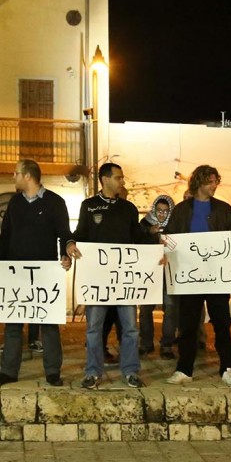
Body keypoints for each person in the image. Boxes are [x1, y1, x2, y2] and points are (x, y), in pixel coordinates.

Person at [0, 160, 72, 386]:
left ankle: (53, 372)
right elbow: (5, 237)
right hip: (16, 274)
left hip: (44, 274)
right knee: (13, 324)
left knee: (49, 324)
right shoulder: (14, 203)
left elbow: (64, 233)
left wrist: (67, 254)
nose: (12, 177)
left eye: (16, 173)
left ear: (27, 176)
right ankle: (8, 371)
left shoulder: (55, 202)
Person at [68, 162, 147, 389]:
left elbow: (138, 239)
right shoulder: (89, 206)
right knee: (94, 328)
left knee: (131, 328)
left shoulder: (129, 209)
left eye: (122, 178)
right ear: (105, 179)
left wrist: (155, 251)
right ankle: (93, 372)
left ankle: (130, 371)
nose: (123, 181)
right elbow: (80, 233)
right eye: (119, 178)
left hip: (125, 280)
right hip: (98, 281)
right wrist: (70, 244)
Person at [164, 164, 231, 387]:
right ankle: (184, 369)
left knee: (221, 323)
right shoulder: (181, 210)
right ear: (198, 183)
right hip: (189, 278)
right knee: (187, 325)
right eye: (210, 182)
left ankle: (228, 368)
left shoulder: (223, 209)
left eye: (216, 181)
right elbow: (170, 236)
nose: (214, 185)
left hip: (216, 278)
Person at [138, 194, 177, 358]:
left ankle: (166, 344)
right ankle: (146, 343)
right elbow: (136, 240)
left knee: (170, 307)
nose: (161, 214)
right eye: (159, 210)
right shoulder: (144, 224)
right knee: (146, 308)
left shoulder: (175, 225)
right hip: (149, 273)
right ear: (154, 209)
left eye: (165, 211)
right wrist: (149, 232)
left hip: (168, 272)